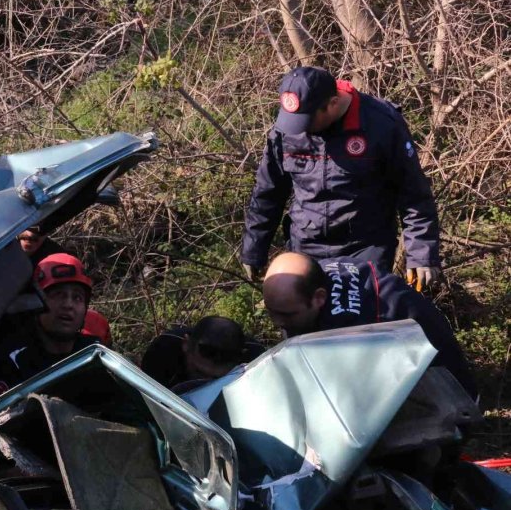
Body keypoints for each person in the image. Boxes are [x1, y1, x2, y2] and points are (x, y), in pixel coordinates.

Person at [241, 66, 441, 288]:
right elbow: (268, 190)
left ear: (333, 104)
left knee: (358, 309)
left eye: (307, 121)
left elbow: (413, 192)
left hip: (366, 247)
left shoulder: (381, 124)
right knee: (305, 308)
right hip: (305, 244)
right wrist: (254, 248)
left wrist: (422, 253)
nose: (301, 129)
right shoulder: (289, 126)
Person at [261, 252, 477, 399]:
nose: (277, 322)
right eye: (271, 311)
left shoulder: (345, 330)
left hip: (446, 390)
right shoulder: (320, 271)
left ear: (319, 298)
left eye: (287, 315)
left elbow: (344, 398)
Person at [0, 253, 97, 406]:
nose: (68, 305)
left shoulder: (94, 354)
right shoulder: (8, 362)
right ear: (36, 302)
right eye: (58, 294)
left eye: (77, 297)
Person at [140, 316, 264, 389]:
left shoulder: (257, 360)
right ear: (186, 345)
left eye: (217, 379)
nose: (207, 384)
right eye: (199, 373)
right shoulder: (164, 350)